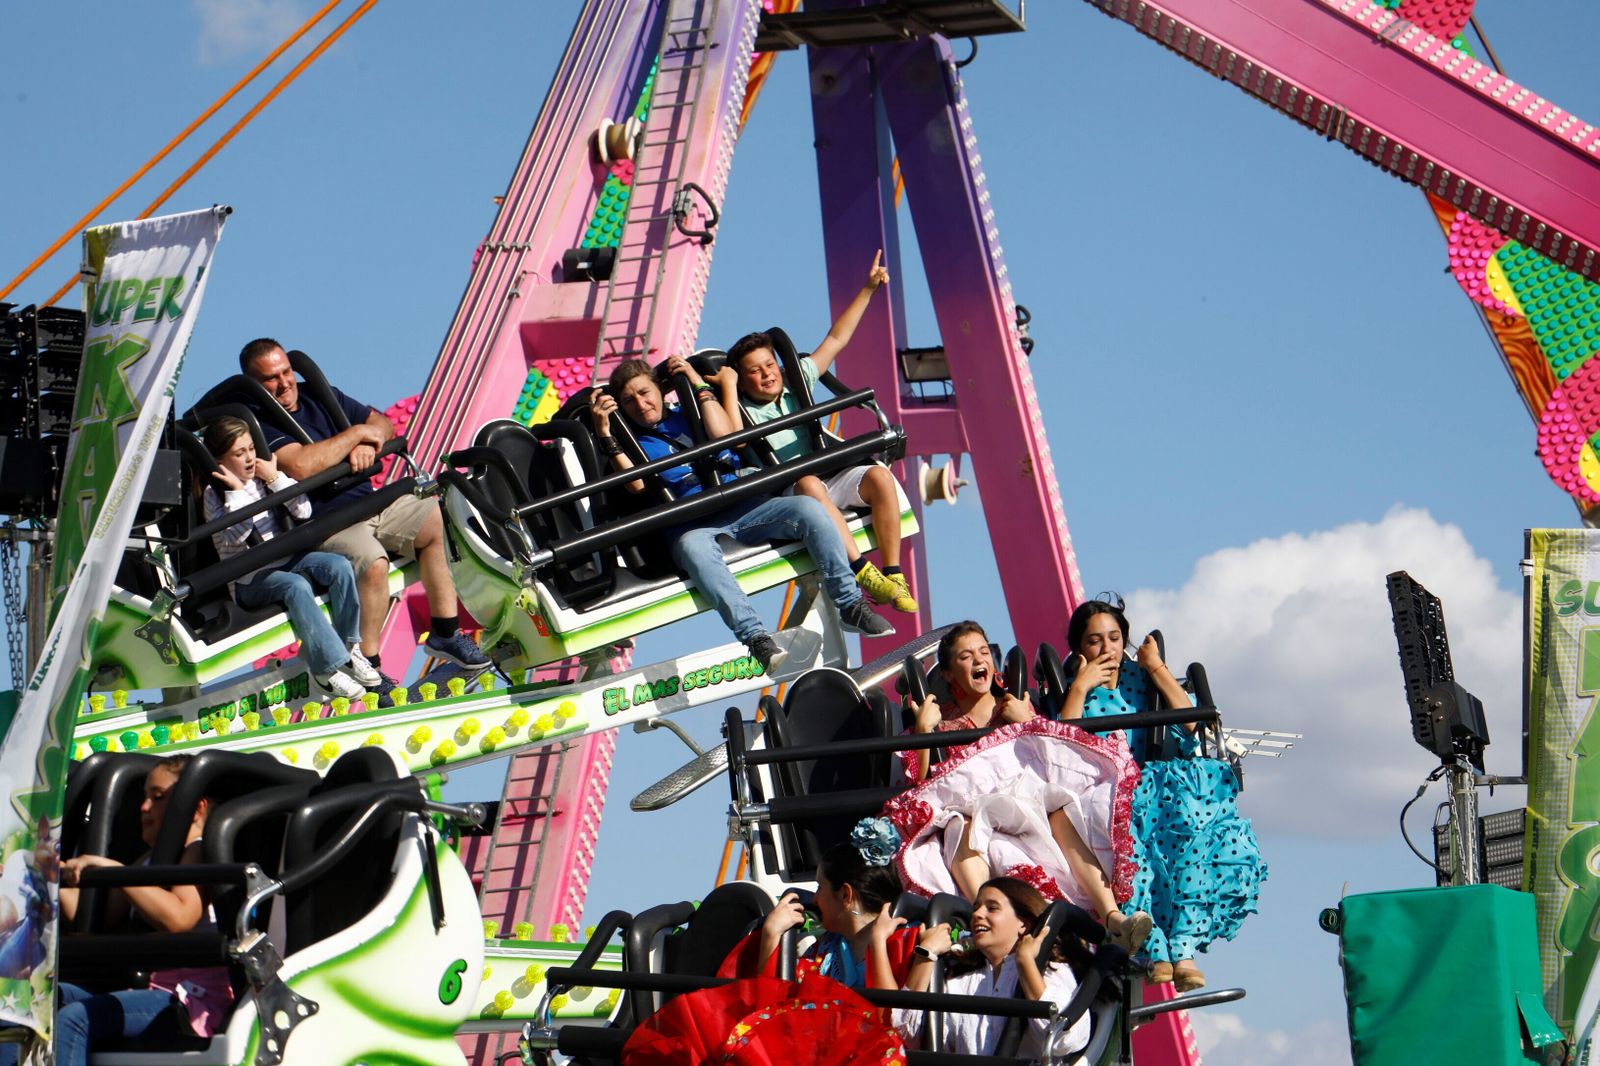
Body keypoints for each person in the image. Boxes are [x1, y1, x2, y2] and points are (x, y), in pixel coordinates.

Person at [590, 356, 893, 671]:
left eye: (644, 392)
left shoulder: (689, 412)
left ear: (659, 390)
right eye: (629, 400)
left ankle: (850, 604)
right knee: (693, 550)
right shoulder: (633, 442)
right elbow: (636, 484)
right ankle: (756, 639)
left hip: (743, 505)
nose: (640, 403)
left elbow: (724, 437)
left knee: (809, 509)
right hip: (692, 522)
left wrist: (695, 382)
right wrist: (604, 431)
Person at [239, 338, 489, 690]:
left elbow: (383, 425)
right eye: (271, 379)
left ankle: (445, 632)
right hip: (325, 524)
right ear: (255, 386)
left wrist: (366, 441)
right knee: (373, 563)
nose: (284, 383)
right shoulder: (261, 426)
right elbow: (303, 465)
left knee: (435, 516)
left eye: (286, 372)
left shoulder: (320, 395)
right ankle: (368, 666)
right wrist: (356, 434)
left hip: (371, 504)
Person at [889, 621, 1151, 953]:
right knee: (963, 827)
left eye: (984, 652)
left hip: (1027, 807)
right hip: (974, 815)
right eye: (966, 657)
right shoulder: (943, 724)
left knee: (1060, 809)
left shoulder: (1016, 707)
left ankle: (1113, 917)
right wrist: (925, 732)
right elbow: (918, 787)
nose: (978, 660)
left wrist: (1028, 721)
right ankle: (984, 920)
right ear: (949, 674)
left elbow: (1056, 753)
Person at [1061, 598, 1266, 993]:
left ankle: (1184, 945)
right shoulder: (1076, 689)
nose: (1107, 649)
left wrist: (1156, 668)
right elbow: (1062, 744)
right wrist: (1081, 686)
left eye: (1114, 638)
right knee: (1131, 849)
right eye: (1095, 641)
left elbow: (1194, 728)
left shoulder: (1143, 679)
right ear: (1080, 649)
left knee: (1196, 817)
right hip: (1108, 791)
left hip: (1158, 786)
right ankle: (1154, 947)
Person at [722, 251, 915, 614]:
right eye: (754, 371)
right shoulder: (743, 409)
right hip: (790, 490)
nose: (767, 374)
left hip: (830, 475)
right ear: (742, 379)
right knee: (809, 483)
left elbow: (837, 339)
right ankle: (862, 569)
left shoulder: (798, 382)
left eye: (769, 365)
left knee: (879, 476)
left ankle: (893, 573)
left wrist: (869, 288)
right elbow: (734, 437)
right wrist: (728, 389)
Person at [35, 756, 233, 1066]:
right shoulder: (148, 862)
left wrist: (111, 868)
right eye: (144, 797)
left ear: (195, 807)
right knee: (34, 998)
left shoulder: (198, 849)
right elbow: (97, 916)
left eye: (157, 797)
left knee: (75, 1019)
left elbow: (179, 918)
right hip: (149, 990)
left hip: (190, 1000)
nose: (143, 808)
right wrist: (45, 876)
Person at [201, 416, 377, 700]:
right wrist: (235, 491)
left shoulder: (263, 477)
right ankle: (326, 670)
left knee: (339, 566)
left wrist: (274, 478)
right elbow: (237, 536)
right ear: (220, 460)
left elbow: (303, 511)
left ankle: (349, 650)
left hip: (288, 559)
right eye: (239, 453)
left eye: (250, 449)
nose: (248, 458)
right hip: (250, 578)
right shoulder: (215, 495)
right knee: (295, 586)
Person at [895, 877, 1092, 1058]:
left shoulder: (1050, 968)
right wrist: (926, 955)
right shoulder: (961, 977)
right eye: (976, 907)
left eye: (992, 908)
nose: (977, 914)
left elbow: (1063, 1041)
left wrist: (1026, 964)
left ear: (1023, 923)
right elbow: (908, 1036)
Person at [720, 818, 919, 991]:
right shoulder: (825, 949)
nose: (814, 899)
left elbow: (896, 1020)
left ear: (845, 895)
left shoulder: (907, 943)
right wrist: (771, 935)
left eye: (819, 887)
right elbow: (777, 1007)